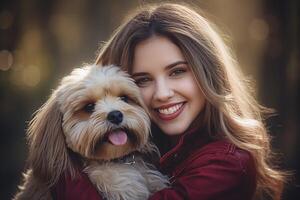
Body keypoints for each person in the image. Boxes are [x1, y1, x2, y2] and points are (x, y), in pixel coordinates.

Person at [54, 3, 287, 200]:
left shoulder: (224, 164)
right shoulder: (149, 145)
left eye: (177, 72)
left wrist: (57, 171)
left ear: (209, 73)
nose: (163, 93)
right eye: (143, 79)